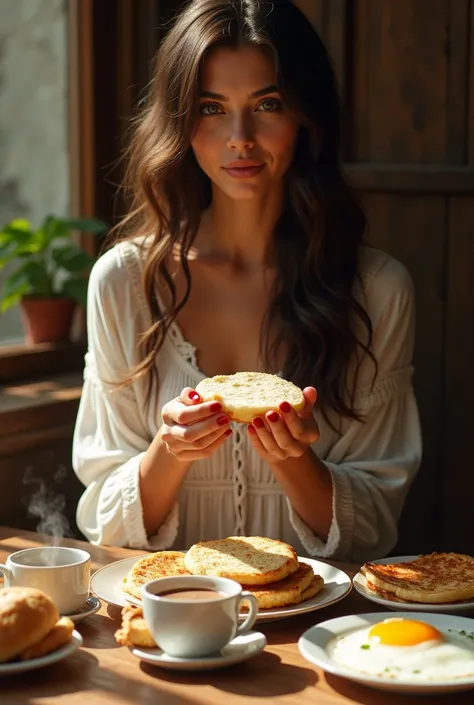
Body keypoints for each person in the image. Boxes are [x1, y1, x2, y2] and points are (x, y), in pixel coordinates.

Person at [72, 0, 422, 562]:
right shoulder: (123, 283)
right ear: (181, 125)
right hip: (170, 623)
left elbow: (376, 526)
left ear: (306, 118)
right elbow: (104, 525)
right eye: (212, 108)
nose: (240, 137)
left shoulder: (377, 289)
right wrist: (170, 448)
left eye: (267, 104)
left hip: (319, 634)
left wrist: (291, 458)